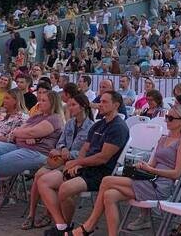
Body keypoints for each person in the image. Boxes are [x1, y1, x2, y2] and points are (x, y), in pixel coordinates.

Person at [71, 104, 181, 236]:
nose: (167, 120)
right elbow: (152, 164)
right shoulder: (163, 139)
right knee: (109, 195)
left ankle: (89, 226)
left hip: (161, 186)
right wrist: (142, 166)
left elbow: (177, 174)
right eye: (167, 117)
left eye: (171, 118)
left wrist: (152, 170)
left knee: (106, 180)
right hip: (150, 180)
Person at [0, 90, 65, 220]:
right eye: (40, 100)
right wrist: (25, 134)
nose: (40, 103)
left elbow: (28, 132)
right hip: (19, 146)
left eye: (43, 101)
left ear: (52, 103)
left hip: (37, 153)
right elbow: (17, 132)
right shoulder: (36, 116)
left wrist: (25, 134)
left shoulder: (54, 118)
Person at [35, 91, 129, 235]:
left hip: (101, 173)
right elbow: (85, 147)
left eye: (104, 102)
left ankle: (68, 226)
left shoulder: (118, 127)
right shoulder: (99, 125)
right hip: (85, 167)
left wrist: (78, 162)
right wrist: (78, 163)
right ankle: (62, 226)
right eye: (100, 101)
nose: (100, 105)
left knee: (64, 189)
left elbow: (103, 158)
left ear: (116, 105)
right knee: (43, 181)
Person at [22, 93, 94, 229]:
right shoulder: (70, 124)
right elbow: (60, 142)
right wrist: (62, 148)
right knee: (38, 175)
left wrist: (69, 153)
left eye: (73, 105)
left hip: (72, 163)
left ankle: (49, 214)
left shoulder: (91, 127)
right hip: (59, 160)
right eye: (69, 105)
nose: (70, 108)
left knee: (45, 178)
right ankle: (31, 214)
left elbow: (88, 152)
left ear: (83, 107)